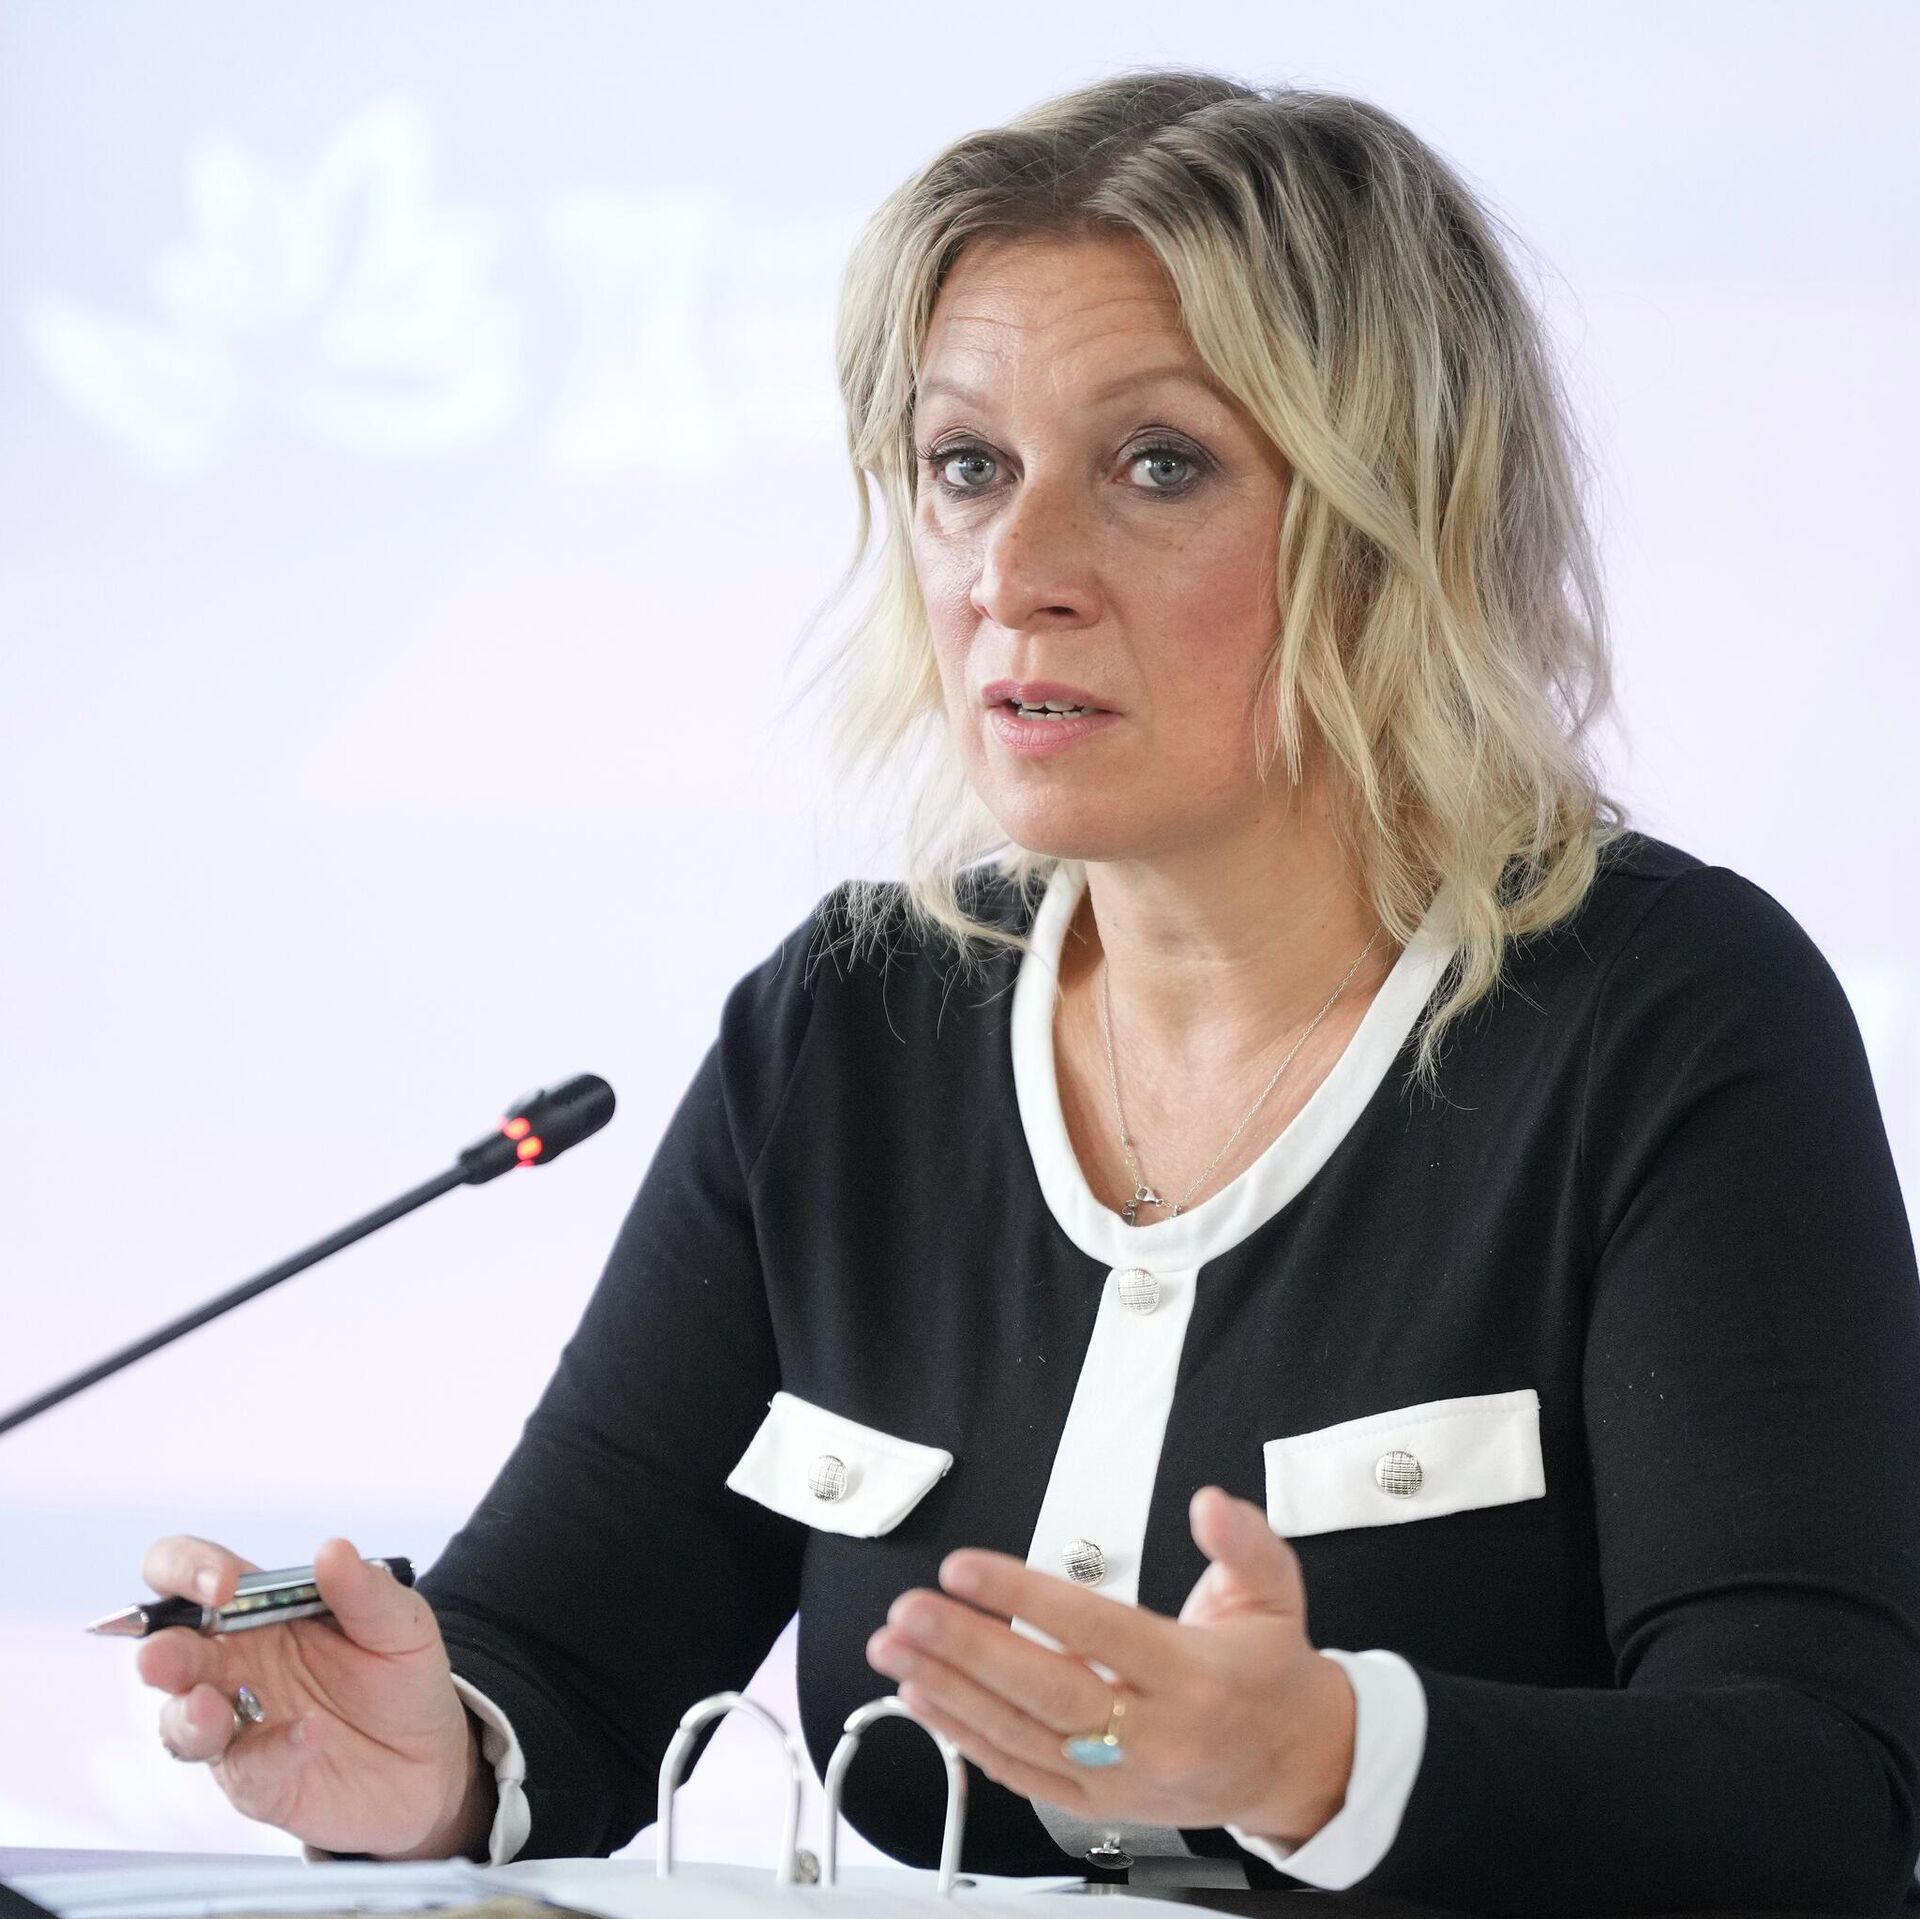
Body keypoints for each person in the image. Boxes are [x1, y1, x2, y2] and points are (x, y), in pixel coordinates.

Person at [131, 71, 1920, 1916]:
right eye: (967, 466)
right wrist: (426, 1761)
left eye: (1159, 466)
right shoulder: (849, 1027)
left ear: (1399, 524)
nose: (1014, 574)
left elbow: (1823, 1792)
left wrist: (1325, 1760)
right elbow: (566, 1654)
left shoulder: (1672, 1018)